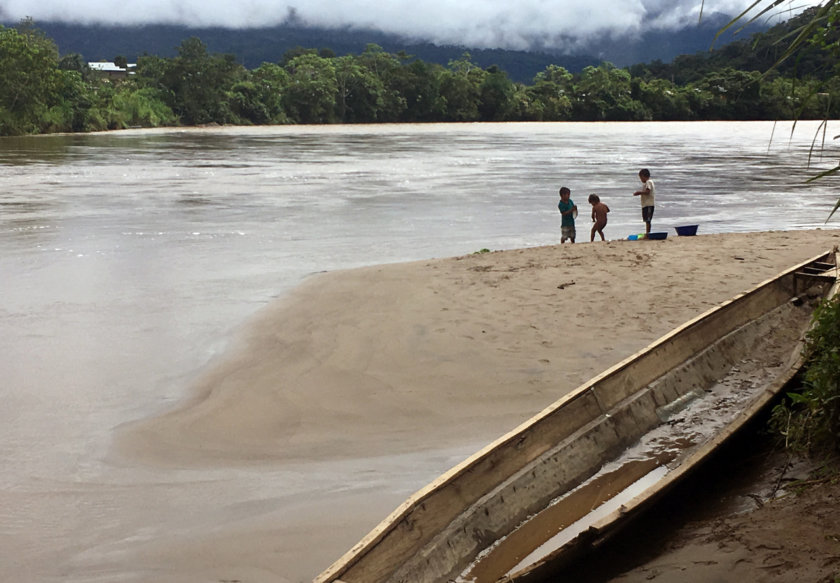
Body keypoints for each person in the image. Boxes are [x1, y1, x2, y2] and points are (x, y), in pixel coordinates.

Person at [632, 168, 655, 235]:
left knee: (648, 220)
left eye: (641, 178)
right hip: (646, 204)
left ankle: (648, 233)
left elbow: (648, 191)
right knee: (647, 220)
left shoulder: (648, 182)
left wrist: (639, 192)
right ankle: (647, 233)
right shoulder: (649, 182)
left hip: (648, 204)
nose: (641, 180)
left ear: (643, 176)